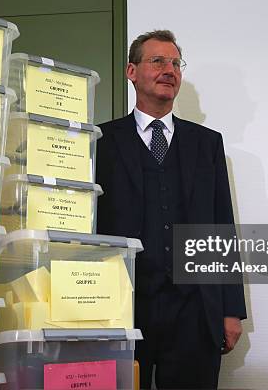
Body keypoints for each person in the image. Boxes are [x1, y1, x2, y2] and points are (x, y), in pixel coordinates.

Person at [96, 30, 247, 389]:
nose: (169, 69)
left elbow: (221, 226)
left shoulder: (206, 143)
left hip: (194, 308)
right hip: (123, 305)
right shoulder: (101, 141)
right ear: (131, 71)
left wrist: (231, 309)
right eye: (158, 61)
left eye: (176, 63)